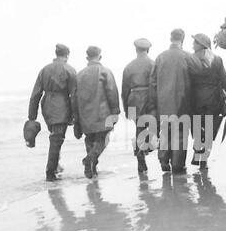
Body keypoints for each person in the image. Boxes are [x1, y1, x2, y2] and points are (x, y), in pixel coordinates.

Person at [149, 29, 202, 174]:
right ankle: (178, 166)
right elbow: (199, 78)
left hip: (163, 104)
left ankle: (164, 159)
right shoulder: (188, 57)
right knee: (180, 133)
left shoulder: (160, 58)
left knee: (165, 131)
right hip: (182, 102)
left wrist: (154, 105)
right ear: (182, 40)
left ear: (170, 38)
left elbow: (152, 84)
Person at [28, 43, 77, 181]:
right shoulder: (70, 70)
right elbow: (74, 95)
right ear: (67, 55)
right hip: (61, 106)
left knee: (55, 135)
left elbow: (35, 94)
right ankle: (50, 173)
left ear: (56, 54)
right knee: (57, 139)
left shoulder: (44, 70)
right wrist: (75, 115)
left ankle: (56, 166)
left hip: (47, 107)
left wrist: (32, 116)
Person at [72, 46, 120, 178]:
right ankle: (89, 160)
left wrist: (76, 116)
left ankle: (92, 169)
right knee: (104, 139)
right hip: (102, 113)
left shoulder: (79, 75)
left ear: (87, 58)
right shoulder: (105, 71)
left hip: (85, 115)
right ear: (100, 56)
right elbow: (112, 92)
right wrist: (115, 111)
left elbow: (74, 98)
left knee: (90, 139)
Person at [190, 33, 226, 170]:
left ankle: (197, 153)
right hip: (214, 100)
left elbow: (186, 81)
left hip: (196, 100)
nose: (192, 44)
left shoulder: (191, 60)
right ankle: (204, 161)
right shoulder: (217, 59)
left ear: (200, 45)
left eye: (195, 42)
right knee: (209, 130)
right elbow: (225, 79)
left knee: (197, 128)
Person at [121, 38, 155, 173]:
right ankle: (145, 148)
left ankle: (140, 155)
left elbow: (124, 90)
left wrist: (126, 108)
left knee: (139, 128)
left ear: (136, 50)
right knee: (154, 128)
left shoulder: (129, 67)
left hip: (134, 99)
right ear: (148, 49)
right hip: (149, 98)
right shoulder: (154, 64)